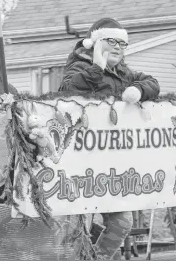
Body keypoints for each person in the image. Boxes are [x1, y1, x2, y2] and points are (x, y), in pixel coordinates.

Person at [59, 18, 160, 259]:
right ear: (94, 43)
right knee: (77, 225)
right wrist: (96, 67)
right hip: (80, 164)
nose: (118, 47)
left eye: (123, 44)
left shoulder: (125, 72)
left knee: (122, 221)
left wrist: (138, 91)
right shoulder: (77, 67)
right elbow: (68, 90)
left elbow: (153, 83)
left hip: (112, 166)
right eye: (112, 41)